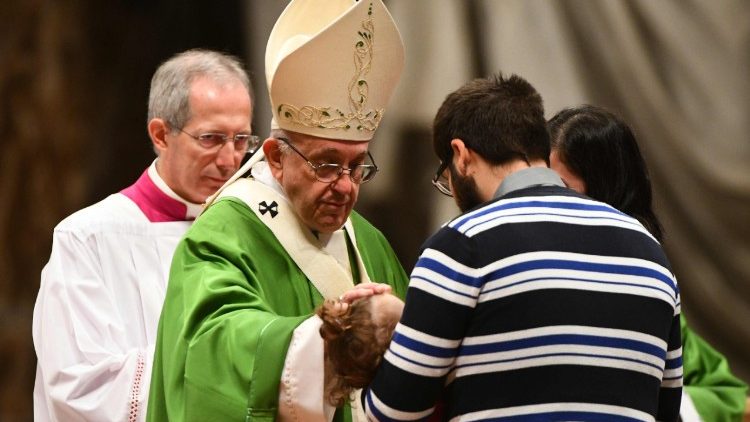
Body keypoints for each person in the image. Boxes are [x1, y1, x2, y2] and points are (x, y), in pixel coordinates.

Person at [362, 73, 683, 421]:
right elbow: (666, 410)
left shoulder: (461, 245)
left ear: (461, 155)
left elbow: (394, 412)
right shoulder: (650, 252)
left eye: (446, 175)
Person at [146, 1, 408, 421]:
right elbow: (211, 351)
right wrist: (330, 339)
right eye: (325, 164)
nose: (344, 185)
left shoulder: (369, 243)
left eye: (357, 166)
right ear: (276, 156)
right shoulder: (221, 236)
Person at [32, 49, 257, 421]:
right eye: (212, 138)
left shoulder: (253, 232)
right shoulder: (88, 238)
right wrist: (216, 367)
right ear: (161, 134)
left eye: (241, 140)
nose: (230, 159)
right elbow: (79, 389)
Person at [548, 104, 748, 422]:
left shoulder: (646, 282)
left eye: (561, 189)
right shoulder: (530, 259)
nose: (542, 200)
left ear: (604, 187)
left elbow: (733, 398)